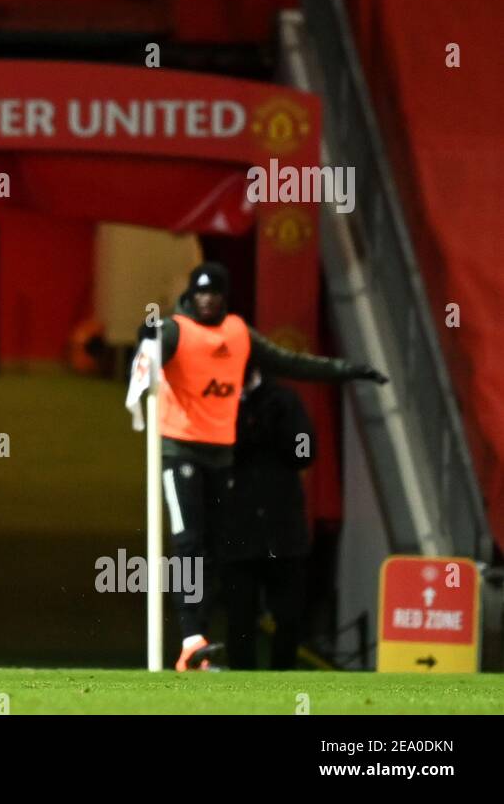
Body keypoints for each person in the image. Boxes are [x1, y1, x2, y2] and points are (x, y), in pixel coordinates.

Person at [134, 262, 386, 671]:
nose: (207, 299)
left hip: (219, 455)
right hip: (180, 451)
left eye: (215, 292)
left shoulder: (239, 335)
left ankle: (198, 647)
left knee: (212, 552)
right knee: (189, 545)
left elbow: (294, 363)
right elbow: (150, 352)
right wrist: (146, 341)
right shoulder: (178, 330)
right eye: (200, 292)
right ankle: (190, 639)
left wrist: (347, 370)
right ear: (190, 296)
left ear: (225, 296)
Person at [222, 368, 314, 669]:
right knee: (239, 616)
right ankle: (241, 683)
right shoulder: (219, 399)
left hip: (283, 530)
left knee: (289, 615)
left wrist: (280, 430)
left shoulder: (284, 400)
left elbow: (305, 451)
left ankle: (284, 678)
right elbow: (218, 452)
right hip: (238, 529)